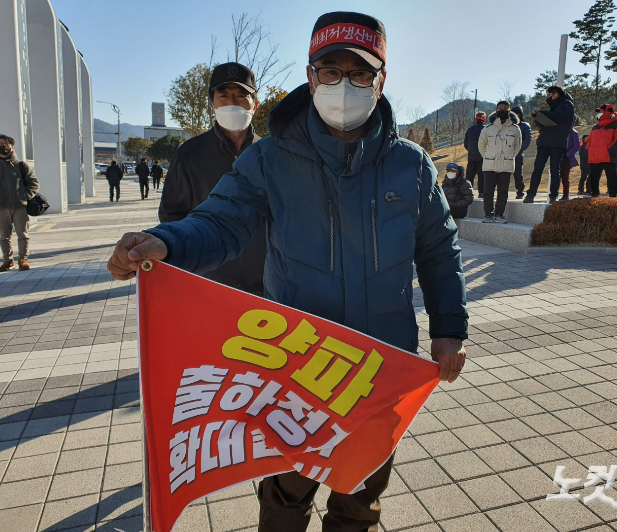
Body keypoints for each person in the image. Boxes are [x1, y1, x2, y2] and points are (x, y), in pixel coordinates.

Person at [107, 12, 467, 531]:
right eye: (331, 71)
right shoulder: (269, 160)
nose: (344, 85)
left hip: (381, 366)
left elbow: (438, 250)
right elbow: (219, 221)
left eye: (360, 73)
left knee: (362, 492)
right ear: (310, 76)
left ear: (380, 81)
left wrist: (450, 329)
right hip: (301, 366)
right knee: (287, 490)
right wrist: (164, 242)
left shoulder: (410, 165)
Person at [158, 62, 265, 293]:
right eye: (223, 96)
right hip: (210, 282)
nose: (232, 103)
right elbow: (172, 215)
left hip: (266, 283)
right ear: (211, 104)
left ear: (254, 105)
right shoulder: (189, 154)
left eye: (240, 96)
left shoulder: (268, 153)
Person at [0, 134, 39, 272]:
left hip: (19, 207)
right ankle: (7, 261)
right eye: (0, 144)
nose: (3, 147)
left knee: (22, 234)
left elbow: (34, 183)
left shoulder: (21, 166)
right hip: (0, 207)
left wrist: (24, 197)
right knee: (4, 236)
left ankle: (23, 259)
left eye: (6, 144)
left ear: (12, 147)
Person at [524, 85, 575, 203]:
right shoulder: (552, 107)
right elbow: (543, 124)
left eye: (549, 95)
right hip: (544, 142)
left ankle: (553, 196)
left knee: (554, 170)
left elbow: (558, 117)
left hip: (557, 143)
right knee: (537, 168)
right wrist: (537, 117)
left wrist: (542, 113)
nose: (548, 98)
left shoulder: (567, 104)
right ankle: (531, 194)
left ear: (556, 94)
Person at [478, 101, 522, 223]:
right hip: (489, 165)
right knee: (488, 191)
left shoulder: (515, 129)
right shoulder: (488, 128)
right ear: (496, 110)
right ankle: (488, 214)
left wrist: (508, 157)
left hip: (506, 165)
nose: (502, 110)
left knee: (503, 192)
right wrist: (488, 157)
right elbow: (481, 146)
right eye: (500, 108)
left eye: (505, 108)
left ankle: (499, 215)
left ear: (509, 111)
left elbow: (517, 147)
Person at [586, 104, 617, 198]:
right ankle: (595, 195)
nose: (599, 114)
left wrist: (611, 151)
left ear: (607, 112)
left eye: (601, 111)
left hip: (609, 156)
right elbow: (590, 140)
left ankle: (613, 196)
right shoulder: (595, 127)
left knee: (611, 177)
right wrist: (589, 150)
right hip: (595, 157)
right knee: (593, 177)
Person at [464, 111, 487, 197]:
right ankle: (481, 192)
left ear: (475, 119)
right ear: (484, 120)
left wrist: (471, 150)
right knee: (482, 177)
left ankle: (467, 192)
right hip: (483, 158)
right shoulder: (486, 129)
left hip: (471, 157)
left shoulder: (469, 130)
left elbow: (465, 144)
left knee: (469, 177)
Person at [511, 106, 532, 199]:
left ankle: (520, 191)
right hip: (506, 154)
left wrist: (519, 149)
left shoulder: (525, 126)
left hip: (518, 155)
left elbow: (527, 140)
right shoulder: (508, 125)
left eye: (517, 113)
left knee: (518, 174)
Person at [559, 115, 580, 201]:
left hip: (566, 158)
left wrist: (567, 154)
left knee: (565, 177)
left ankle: (565, 195)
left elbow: (577, 146)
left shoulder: (574, 133)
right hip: (558, 156)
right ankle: (553, 194)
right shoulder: (560, 132)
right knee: (556, 177)